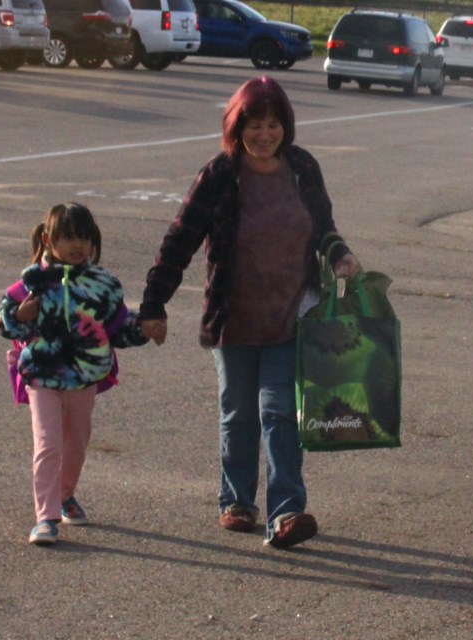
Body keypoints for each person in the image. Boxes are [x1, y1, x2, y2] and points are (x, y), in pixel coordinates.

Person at [139, 76, 359, 549]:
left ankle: (285, 512)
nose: (265, 134)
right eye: (254, 125)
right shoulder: (220, 175)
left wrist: (339, 253)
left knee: (280, 412)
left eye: (273, 124)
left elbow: (324, 226)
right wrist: (154, 303)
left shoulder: (302, 168)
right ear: (237, 127)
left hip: (290, 316)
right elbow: (180, 240)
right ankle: (236, 500)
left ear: (286, 127)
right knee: (238, 413)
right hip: (233, 320)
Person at [0, 203, 148, 545]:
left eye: (83, 237)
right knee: (48, 442)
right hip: (42, 374)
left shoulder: (104, 284)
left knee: (76, 441)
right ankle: (45, 517)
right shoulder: (33, 281)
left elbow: (118, 326)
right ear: (49, 239)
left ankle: (66, 495)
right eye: (67, 237)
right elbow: (4, 320)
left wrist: (143, 328)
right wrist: (19, 317)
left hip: (84, 375)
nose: (76, 245)